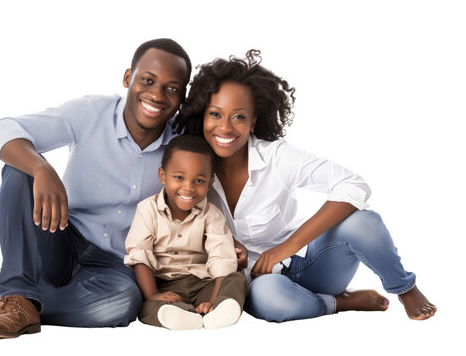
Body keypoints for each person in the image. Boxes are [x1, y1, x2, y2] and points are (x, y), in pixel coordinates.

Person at [0, 38, 195, 338]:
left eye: (172, 88)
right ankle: (16, 294)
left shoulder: (183, 145)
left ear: (182, 96)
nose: (157, 95)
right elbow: (2, 129)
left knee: (122, 305)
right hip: (60, 236)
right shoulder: (91, 113)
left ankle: (13, 293)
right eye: (147, 80)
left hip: (116, 264)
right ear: (127, 78)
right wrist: (41, 168)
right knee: (19, 169)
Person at [174, 50, 437, 322]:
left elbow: (353, 184)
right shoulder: (191, 170)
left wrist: (285, 247)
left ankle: (405, 287)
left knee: (363, 221)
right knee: (268, 299)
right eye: (215, 114)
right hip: (259, 282)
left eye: (238, 117)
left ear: (253, 121)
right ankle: (339, 303)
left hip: (312, 264)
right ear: (202, 115)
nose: (225, 127)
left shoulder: (275, 156)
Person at [124, 135, 247, 330]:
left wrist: (212, 301)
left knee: (236, 278)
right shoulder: (147, 209)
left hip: (204, 283)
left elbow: (222, 258)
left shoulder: (212, 215)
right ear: (163, 176)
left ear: (210, 182)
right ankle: (178, 315)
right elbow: (140, 256)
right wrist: (153, 295)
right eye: (179, 177)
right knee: (146, 305)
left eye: (199, 180)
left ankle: (219, 309)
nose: (188, 188)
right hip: (164, 285)